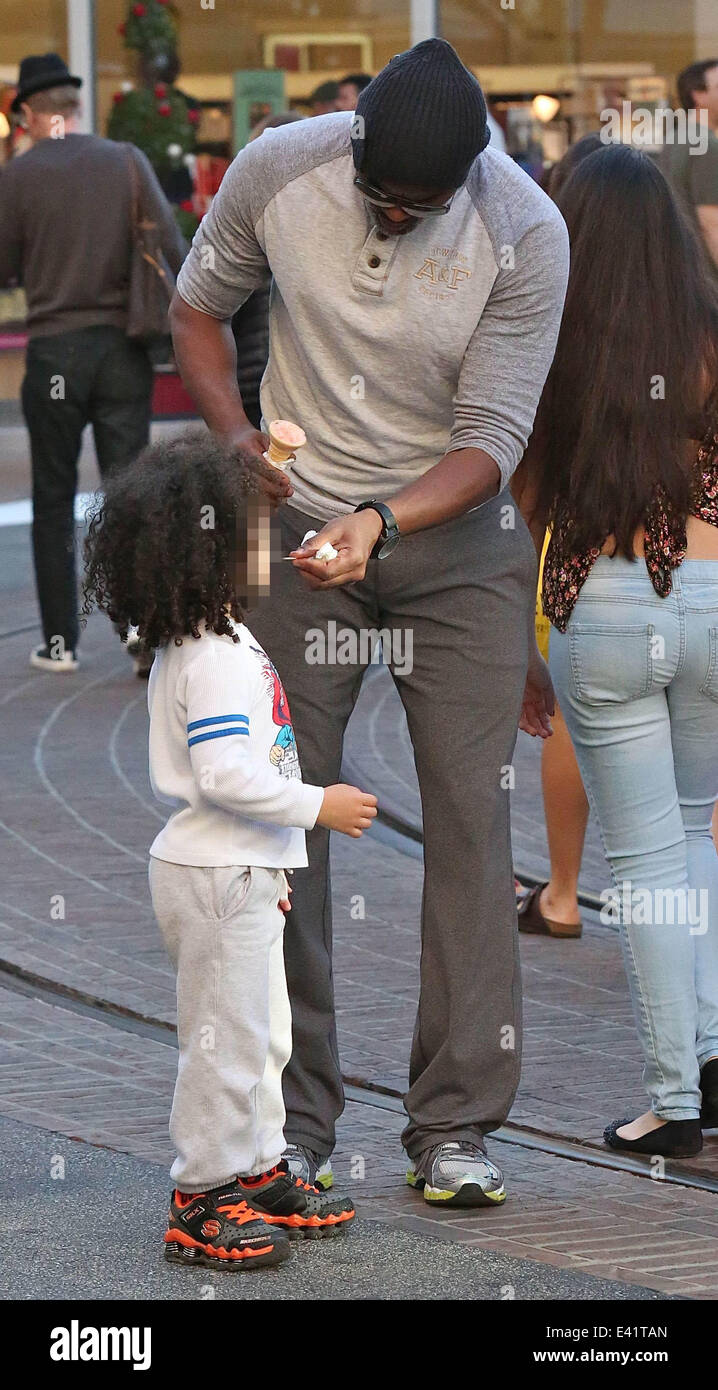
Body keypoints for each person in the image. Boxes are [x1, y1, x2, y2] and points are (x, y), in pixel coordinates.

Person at [170, 38, 568, 1207]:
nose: (394, 217)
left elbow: (492, 441)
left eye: (420, 205)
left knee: (469, 824)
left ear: (469, 176)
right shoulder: (277, 168)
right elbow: (197, 312)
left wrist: (381, 521)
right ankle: (290, 1124)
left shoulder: (525, 229)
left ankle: (454, 1126)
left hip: (454, 543)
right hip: (294, 542)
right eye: (378, 195)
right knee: (273, 821)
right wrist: (242, 447)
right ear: (348, 145)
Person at [82, 431, 376, 1269]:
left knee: (263, 1032)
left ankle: (257, 1167)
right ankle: (203, 1191)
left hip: (243, 872)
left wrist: (268, 472)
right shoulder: (210, 655)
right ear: (211, 551)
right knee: (224, 1037)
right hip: (217, 871)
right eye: (254, 538)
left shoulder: (216, 634)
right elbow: (224, 775)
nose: (271, 554)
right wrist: (319, 804)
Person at [513, 143, 718, 1159]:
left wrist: (525, 643)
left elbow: (524, 499)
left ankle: (672, 1102)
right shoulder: (710, 328)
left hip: (603, 603)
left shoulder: (553, 333)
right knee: (697, 841)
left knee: (642, 864)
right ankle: (712, 1060)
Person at [0, 52, 186, 674]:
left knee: (53, 501)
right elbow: (172, 243)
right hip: (120, 351)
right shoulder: (126, 161)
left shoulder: (17, 177)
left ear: (28, 112)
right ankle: (139, 634)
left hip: (54, 350)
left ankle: (59, 646)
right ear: (75, 108)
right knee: (129, 496)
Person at [516, 134, 604, 941]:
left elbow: (523, 488)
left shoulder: (547, 313)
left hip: (574, 567)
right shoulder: (696, 317)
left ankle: (564, 893)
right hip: (695, 571)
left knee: (573, 721)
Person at [664, 59, 718, 281]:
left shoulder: (675, 139)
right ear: (698, 95)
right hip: (708, 281)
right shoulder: (706, 145)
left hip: (686, 277)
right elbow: (711, 223)